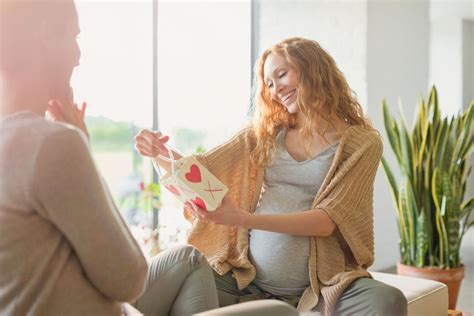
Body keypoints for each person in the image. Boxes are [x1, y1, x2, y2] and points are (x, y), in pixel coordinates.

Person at [135, 37, 408, 315]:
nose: (276, 89)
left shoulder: (360, 144)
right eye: (269, 83)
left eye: (281, 74)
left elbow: (327, 221)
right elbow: (203, 168)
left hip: (319, 286)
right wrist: (159, 152)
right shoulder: (263, 135)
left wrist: (243, 219)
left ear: (312, 69)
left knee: (388, 299)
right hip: (245, 283)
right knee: (184, 262)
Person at [0, 1, 220, 315]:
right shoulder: (51, 145)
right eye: (73, 38)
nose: (77, 56)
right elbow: (130, 281)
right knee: (277, 312)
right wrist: (82, 148)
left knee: (186, 258)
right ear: (44, 37)